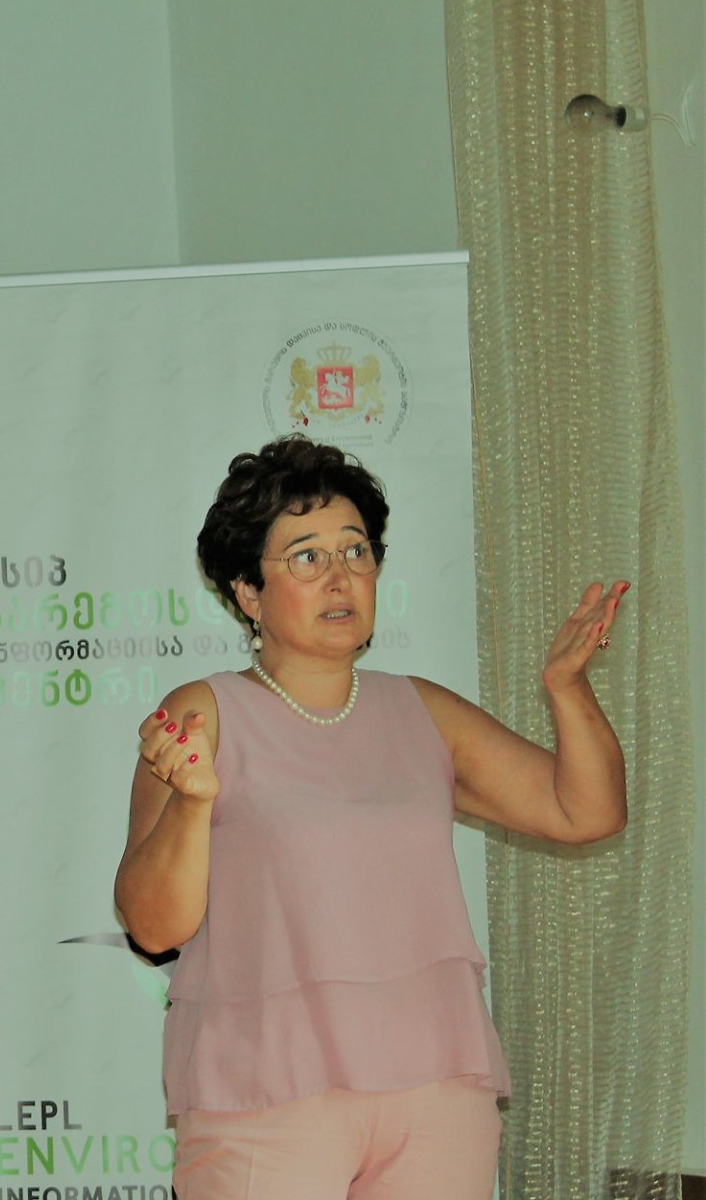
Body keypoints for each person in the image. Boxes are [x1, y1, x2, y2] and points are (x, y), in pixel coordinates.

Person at [112, 434, 628, 1200]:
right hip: (267, 1090)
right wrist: (193, 802)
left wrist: (566, 687)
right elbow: (153, 927)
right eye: (307, 558)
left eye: (356, 551)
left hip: (436, 1088)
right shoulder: (204, 712)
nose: (340, 576)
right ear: (248, 591)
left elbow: (587, 810)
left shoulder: (419, 710)